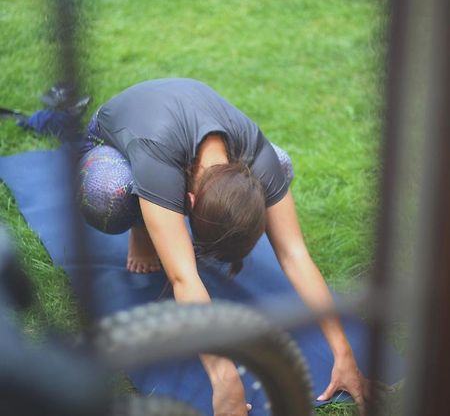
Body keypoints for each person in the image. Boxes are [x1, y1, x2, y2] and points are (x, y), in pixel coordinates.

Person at [78, 78, 370, 415]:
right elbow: (184, 278)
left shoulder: (256, 153)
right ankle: (143, 226)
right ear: (188, 202)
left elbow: (295, 254)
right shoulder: (157, 156)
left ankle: (157, 214)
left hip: (174, 135)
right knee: (108, 194)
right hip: (111, 135)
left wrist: (344, 352)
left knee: (281, 161)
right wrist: (224, 377)